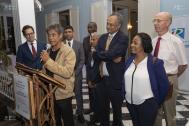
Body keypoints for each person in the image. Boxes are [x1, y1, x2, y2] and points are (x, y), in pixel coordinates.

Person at [124, 32, 169, 126]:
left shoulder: (155, 63)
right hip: (130, 103)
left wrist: (156, 103)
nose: (132, 45)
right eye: (132, 42)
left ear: (144, 45)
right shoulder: (129, 60)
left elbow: (164, 86)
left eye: (135, 43)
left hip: (147, 105)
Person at [152, 12, 188, 126]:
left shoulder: (176, 41)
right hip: (154, 80)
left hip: (169, 81)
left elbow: (183, 65)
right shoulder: (153, 41)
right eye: (155, 20)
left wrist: (172, 77)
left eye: (159, 21)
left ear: (167, 23)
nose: (155, 23)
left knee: (169, 114)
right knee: (155, 112)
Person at [93, 12, 128, 126]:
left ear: (118, 26)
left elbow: (115, 53)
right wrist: (110, 56)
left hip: (115, 80)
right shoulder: (103, 37)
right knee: (103, 110)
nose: (108, 26)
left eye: (111, 25)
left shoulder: (123, 38)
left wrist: (104, 54)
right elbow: (95, 54)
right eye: (107, 24)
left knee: (117, 112)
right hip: (101, 79)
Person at [40, 24, 76, 126]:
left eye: (53, 35)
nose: (50, 38)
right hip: (49, 92)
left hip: (63, 92)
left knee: (68, 121)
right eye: (49, 35)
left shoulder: (68, 51)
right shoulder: (48, 51)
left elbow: (67, 72)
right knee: (55, 120)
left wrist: (48, 61)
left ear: (60, 36)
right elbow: (45, 70)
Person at [63, 25, 85, 124]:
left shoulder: (79, 44)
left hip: (77, 75)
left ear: (73, 33)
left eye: (69, 31)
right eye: (66, 32)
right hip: (64, 76)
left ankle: (80, 114)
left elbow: (82, 60)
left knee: (79, 95)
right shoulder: (61, 44)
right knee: (66, 96)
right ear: (64, 33)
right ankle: (68, 115)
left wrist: (75, 73)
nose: (68, 33)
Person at [83, 22, 98, 115]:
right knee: (90, 91)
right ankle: (92, 108)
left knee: (97, 94)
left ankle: (97, 111)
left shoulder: (99, 38)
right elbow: (85, 52)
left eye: (91, 27)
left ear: (96, 28)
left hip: (96, 69)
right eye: (88, 27)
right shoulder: (85, 39)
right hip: (88, 66)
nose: (89, 29)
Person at [86, 33, 101, 124]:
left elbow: (99, 69)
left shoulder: (101, 53)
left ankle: (99, 119)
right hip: (91, 80)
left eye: (93, 40)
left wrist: (95, 81)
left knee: (100, 102)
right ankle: (95, 116)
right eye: (91, 39)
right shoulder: (91, 52)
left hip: (98, 82)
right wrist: (89, 80)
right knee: (94, 101)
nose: (91, 41)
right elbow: (88, 67)